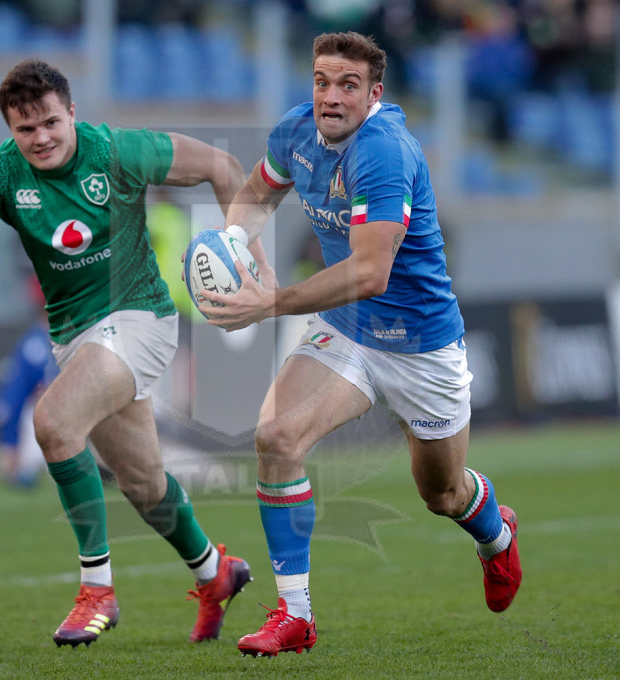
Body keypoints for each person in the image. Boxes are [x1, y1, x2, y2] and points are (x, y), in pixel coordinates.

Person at [0, 59, 255, 648]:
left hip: (141, 320)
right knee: (143, 484)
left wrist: (247, 258)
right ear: (10, 131)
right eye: (25, 129)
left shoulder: (118, 151)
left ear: (72, 114)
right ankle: (215, 573)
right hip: (75, 338)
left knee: (53, 421)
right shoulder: (0, 173)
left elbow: (224, 167)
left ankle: (98, 591)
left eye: (49, 122)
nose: (40, 137)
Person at [198, 32, 522, 657]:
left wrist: (270, 302)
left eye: (348, 85)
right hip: (347, 331)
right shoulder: (296, 132)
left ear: (374, 94)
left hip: (420, 346)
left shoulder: (384, 152)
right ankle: (295, 617)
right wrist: (231, 248)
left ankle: (495, 535)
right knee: (277, 437)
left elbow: (371, 271)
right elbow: (257, 195)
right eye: (322, 81)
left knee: (442, 494)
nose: (331, 96)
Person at [0, 276, 59, 488]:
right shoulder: (33, 344)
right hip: (48, 419)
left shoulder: (37, 341)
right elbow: (12, 399)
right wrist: (10, 444)